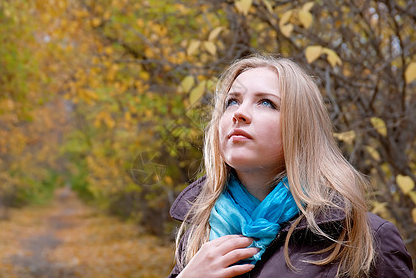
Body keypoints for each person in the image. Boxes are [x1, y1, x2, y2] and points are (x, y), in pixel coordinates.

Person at [167, 55, 414, 278]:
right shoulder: (198, 235)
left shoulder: (363, 238)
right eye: (232, 101)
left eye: (266, 103)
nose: (239, 113)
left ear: (301, 128)